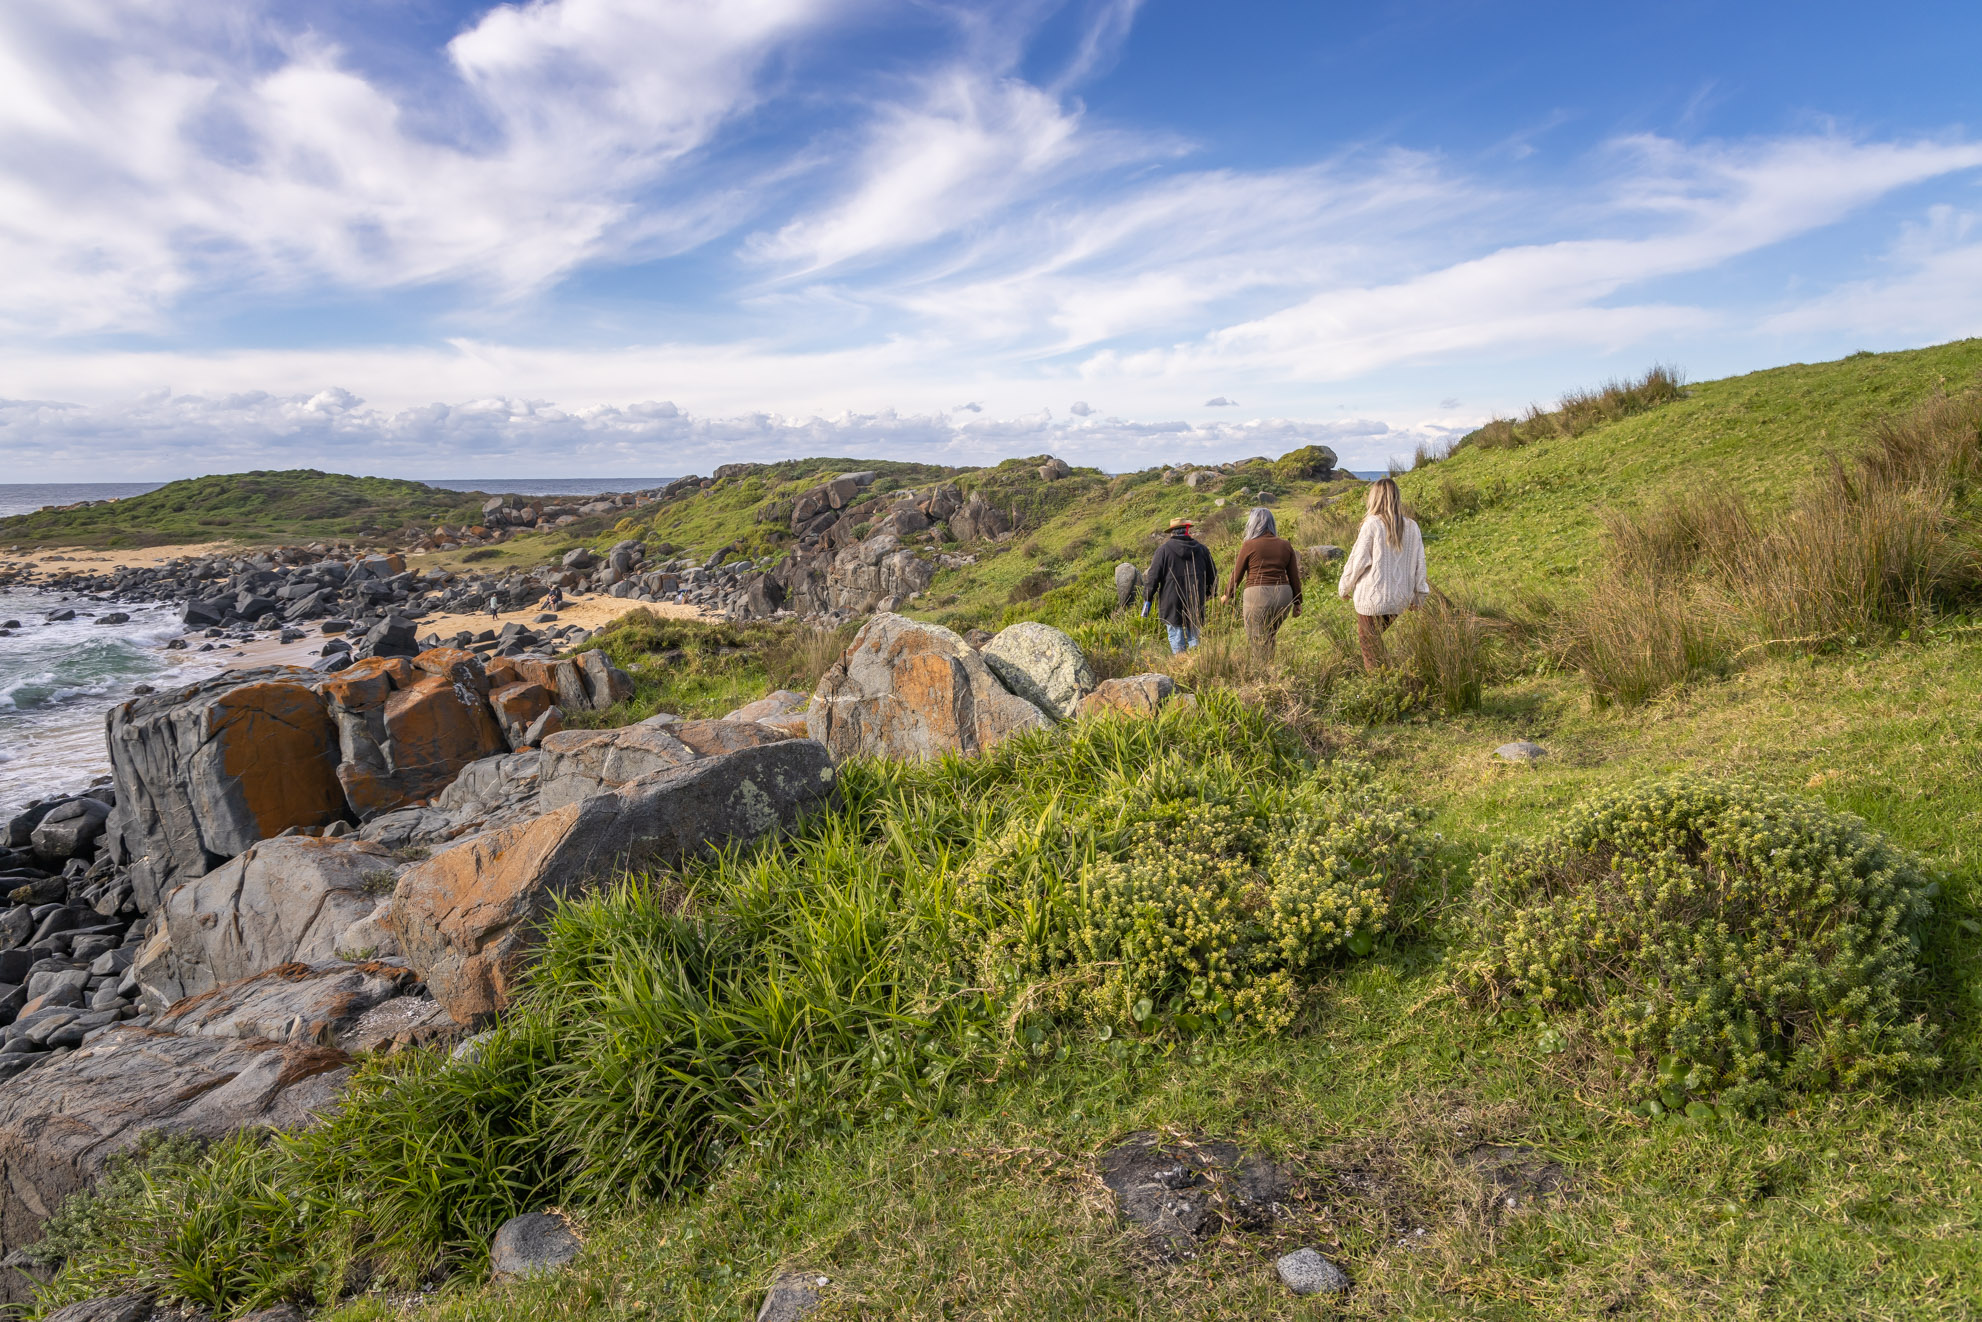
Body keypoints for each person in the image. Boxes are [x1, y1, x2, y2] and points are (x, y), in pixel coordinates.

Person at [1337, 477, 1428, 670]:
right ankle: (1388, 677)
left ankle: (1380, 682)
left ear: (1375, 498)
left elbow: (1358, 560)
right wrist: (1419, 596)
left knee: (1369, 644)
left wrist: (1344, 586)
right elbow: (1420, 564)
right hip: (1399, 600)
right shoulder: (1412, 526)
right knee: (1375, 642)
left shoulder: (1372, 524)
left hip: (1372, 599)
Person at [1221, 507, 1303, 659]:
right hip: (1283, 596)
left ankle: (1261, 669)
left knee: (1257, 638)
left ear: (1252, 524)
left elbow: (1237, 573)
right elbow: (1294, 576)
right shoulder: (1286, 545)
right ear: (1272, 523)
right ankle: (1270, 665)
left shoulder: (1249, 545)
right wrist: (1298, 602)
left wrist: (1228, 594)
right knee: (1270, 635)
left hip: (1257, 595)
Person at [1142, 517, 1217, 653]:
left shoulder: (1163, 551)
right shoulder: (1202, 549)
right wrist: (1210, 593)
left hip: (1171, 600)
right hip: (1195, 598)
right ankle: (1195, 660)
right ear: (1187, 530)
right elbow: (1213, 575)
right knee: (1194, 636)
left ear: (1172, 532)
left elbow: (1152, 577)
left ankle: (1180, 661)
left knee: (1176, 636)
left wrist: (1148, 598)